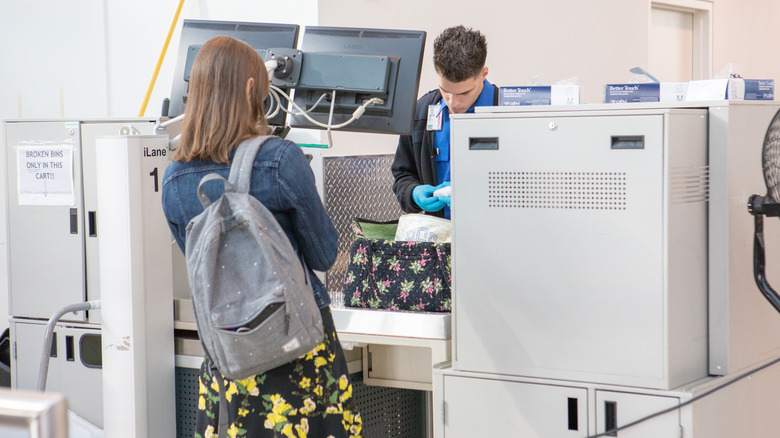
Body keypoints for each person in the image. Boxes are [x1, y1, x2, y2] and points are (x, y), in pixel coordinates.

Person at [161, 35, 362, 438]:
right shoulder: (279, 160)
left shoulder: (174, 181)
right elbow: (324, 254)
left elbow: (199, 262)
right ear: (252, 89)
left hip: (229, 361)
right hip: (298, 354)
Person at [392, 25, 498, 219]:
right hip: (440, 236)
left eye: (464, 93)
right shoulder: (421, 113)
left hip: (496, 233)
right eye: (445, 90)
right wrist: (413, 193)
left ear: (484, 74)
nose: (453, 103)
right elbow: (402, 174)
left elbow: (529, 184)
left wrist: (475, 194)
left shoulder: (509, 112)